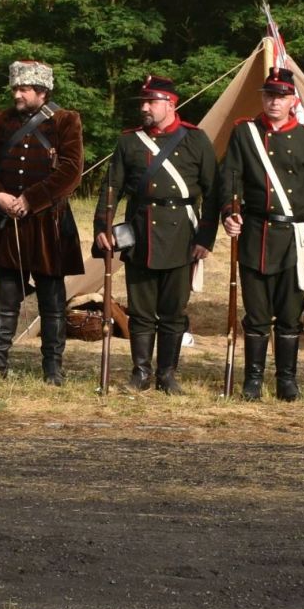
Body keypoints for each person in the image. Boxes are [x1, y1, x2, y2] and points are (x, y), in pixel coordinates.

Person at [216, 67, 304, 401]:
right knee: (256, 314)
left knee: (289, 314)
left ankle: (287, 380)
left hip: (296, 236)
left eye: (281, 96)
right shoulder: (245, 133)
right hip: (257, 232)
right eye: (269, 95)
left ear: (293, 100)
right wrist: (229, 213)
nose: (274, 102)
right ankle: (253, 380)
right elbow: (230, 179)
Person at [92, 76, 219, 392]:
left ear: (170, 104)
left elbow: (214, 192)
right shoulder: (129, 141)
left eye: (151, 102)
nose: (145, 108)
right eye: (143, 103)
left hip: (182, 236)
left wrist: (205, 238)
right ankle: (141, 373)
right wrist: (102, 227)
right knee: (141, 310)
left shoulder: (195, 139)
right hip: (141, 234)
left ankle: (167, 375)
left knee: (173, 311)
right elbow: (111, 187)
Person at [0, 58, 85, 385]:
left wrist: (31, 199)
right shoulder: (0, 120)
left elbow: (71, 171)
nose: (17, 95)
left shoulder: (66, 121)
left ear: (42, 91)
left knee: (52, 299)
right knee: (7, 295)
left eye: (23, 89)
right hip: (7, 222)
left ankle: (52, 366)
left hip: (49, 223)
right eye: (15, 88)